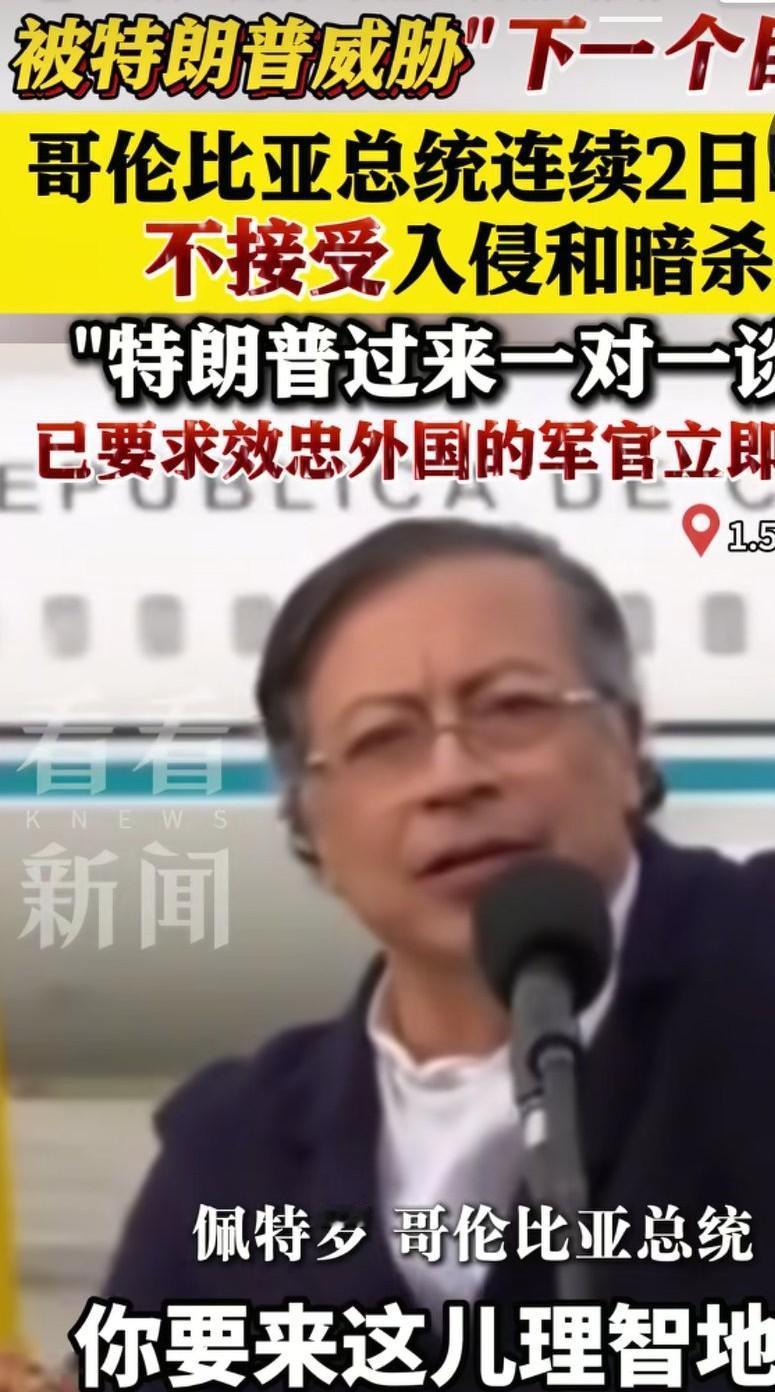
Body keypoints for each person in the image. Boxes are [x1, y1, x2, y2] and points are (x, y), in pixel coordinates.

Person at [19, 519, 775, 1386]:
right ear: (311, 827)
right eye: (383, 740)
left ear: (627, 744)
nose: (452, 778)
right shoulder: (234, 1158)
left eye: (511, 708)